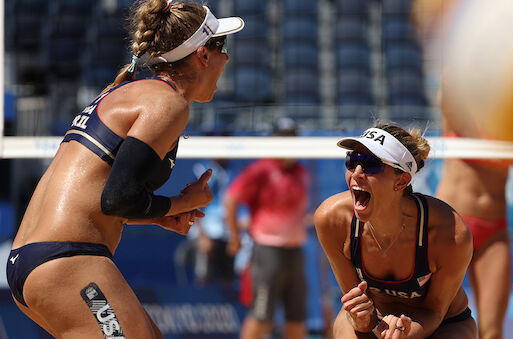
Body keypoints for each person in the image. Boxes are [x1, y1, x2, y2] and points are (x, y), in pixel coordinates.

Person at [5, 1, 244, 337]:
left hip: (37, 259)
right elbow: (117, 200)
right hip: (67, 259)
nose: (227, 58)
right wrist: (180, 204)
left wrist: (158, 214)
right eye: (222, 48)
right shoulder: (167, 102)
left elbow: (98, 198)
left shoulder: (126, 93)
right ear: (203, 55)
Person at [314, 122, 477, 339]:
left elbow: (435, 312)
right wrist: (365, 321)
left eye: (372, 164)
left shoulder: (450, 233)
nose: (357, 173)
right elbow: (356, 302)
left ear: (401, 181)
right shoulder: (332, 220)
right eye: (353, 161)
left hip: (442, 323)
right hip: (374, 319)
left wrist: (402, 333)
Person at [436, 87, 513, 339]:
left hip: (494, 231)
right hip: (450, 226)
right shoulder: (460, 113)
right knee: (437, 323)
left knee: (492, 331)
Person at [225, 117, 310, 339]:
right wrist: (235, 238)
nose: (288, 142)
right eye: (283, 138)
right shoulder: (261, 169)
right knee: (261, 316)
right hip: (267, 250)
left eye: (292, 137)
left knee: (297, 318)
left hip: (296, 250)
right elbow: (231, 199)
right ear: (273, 140)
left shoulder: (301, 172)